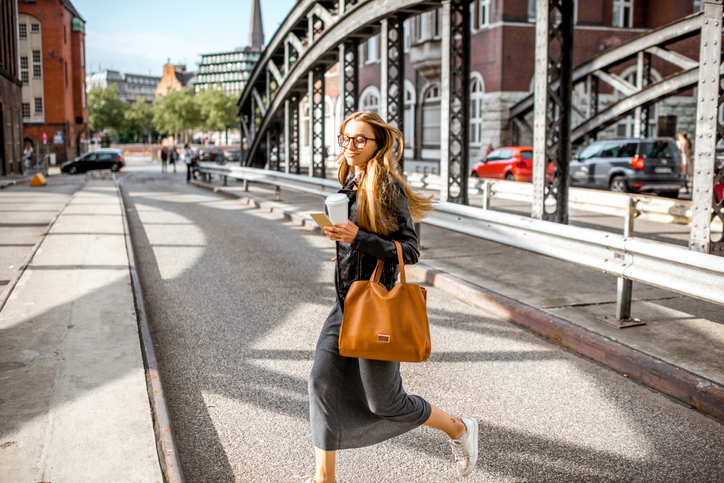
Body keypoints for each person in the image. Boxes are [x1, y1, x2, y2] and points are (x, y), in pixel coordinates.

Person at [305, 111, 479, 483]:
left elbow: (409, 251)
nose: (349, 146)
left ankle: (458, 428)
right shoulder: (348, 182)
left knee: (386, 403)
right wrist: (343, 240)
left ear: (377, 144)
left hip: (376, 304)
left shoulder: (388, 188)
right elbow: (358, 237)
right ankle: (324, 479)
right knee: (320, 381)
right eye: (344, 138)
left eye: (358, 140)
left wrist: (358, 239)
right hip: (345, 303)